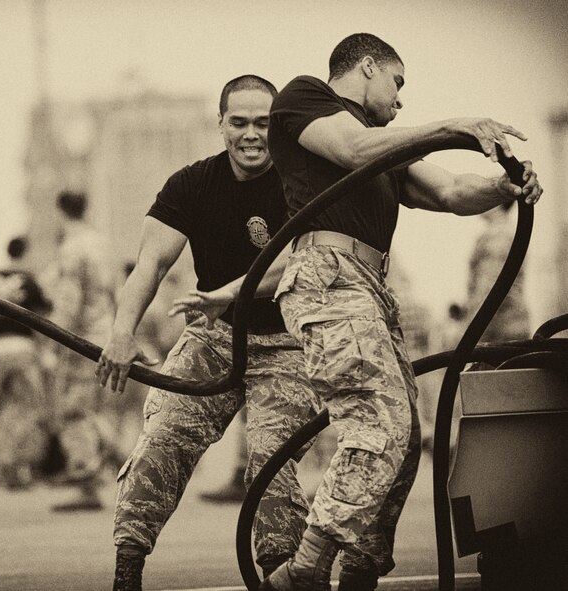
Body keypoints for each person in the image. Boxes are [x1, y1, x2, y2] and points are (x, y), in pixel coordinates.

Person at [187, 33, 541, 591]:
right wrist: (456, 127)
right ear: (368, 66)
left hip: (370, 287)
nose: (400, 101)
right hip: (327, 277)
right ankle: (304, 568)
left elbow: (451, 191)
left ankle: (357, 571)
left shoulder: (386, 144)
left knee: (402, 443)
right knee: (381, 424)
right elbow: (351, 151)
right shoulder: (304, 100)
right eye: (397, 83)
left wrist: (504, 185)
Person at [96, 75, 319, 591]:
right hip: (215, 338)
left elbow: (295, 262)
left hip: (288, 342)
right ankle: (127, 567)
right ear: (220, 124)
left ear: (277, 126)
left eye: (263, 123)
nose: (251, 134)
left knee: (271, 460)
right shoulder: (191, 184)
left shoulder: (301, 181)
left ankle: (279, 575)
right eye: (238, 122)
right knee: (161, 438)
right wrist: (121, 332)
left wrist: (226, 296)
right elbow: (149, 263)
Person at [47, 190, 118, 511]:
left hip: (80, 339)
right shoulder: (101, 244)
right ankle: (110, 456)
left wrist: (54, 344)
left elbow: (68, 302)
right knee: (90, 408)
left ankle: (87, 482)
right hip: (104, 334)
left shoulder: (72, 248)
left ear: (61, 211)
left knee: (72, 411)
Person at [0, 235, 53, 488]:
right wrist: (45, 353)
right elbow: (44, 320)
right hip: (22, 350)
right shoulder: (30, 281)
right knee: (27, 408)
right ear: (25, 252)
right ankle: (14, 465)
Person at [467, 201, 531, 343]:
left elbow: (492, 287)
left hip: (498, 326)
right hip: (504, 322)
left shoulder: (498, 236)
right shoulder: (505, 232)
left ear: (497, 203)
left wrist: (475, 330)